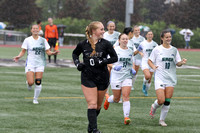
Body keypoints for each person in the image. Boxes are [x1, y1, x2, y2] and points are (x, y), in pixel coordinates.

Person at [72, 21, 118, 133]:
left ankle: (90, 126)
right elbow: (75, 54)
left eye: (103, 29)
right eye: (101, 29)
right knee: (92, 104)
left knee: (97, 106)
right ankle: (94, 130)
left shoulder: (106, 44)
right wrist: (78, 64)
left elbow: (114, 58)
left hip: (103, 77)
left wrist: (103, 61)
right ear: (94, 31)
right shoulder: (83, 44)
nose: (103, 31)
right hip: (88, 77)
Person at [148, 30, 187, 127]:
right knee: (161, 100)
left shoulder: (174, 50)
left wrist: (181, 62)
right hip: (160, 77)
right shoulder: (157, 49)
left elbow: (178, 63)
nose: (169, 39)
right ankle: (154, 106)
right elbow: (150, 61)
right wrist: (153, 67)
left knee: (167, 101)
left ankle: (162, 120)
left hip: (171, 78)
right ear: (162, 38)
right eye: (167, 37)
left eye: (170, 37)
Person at [13, 24, 59, 104]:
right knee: (31, 82)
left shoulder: (43, 40)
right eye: (33, 28)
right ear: (31, 30)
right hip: (30, 63)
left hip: (40, 63)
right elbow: (23, 51)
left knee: (38, 81)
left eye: (36, 29)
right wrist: (18, 56)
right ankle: (28, 83)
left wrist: (53, 53)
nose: (35, 30)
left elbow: (48, 52)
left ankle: (35, 99)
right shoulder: (27, 40)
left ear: (39, 30)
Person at [104, 33, 136, 125]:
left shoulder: (130, 51)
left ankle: (126, 117)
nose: (125, 40)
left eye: (126, 39)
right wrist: (114, 67)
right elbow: (107, 62)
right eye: (123, 39)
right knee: (116, 99)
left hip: (127, 76)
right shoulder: (115, 50)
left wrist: (132, 69)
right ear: (119, 40)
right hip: (116, 77)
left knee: (126, 96)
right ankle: (108, 99)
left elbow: (131, 62)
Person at [138, 31, 158, 96]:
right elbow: (138, 50)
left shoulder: (155, 44)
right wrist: (141, 53)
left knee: (149, 79)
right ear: (146, 36)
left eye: (151, 34)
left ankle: (146, 90)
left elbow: (158, 53)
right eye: (149, 34)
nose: (150, 35)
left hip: (152, 62)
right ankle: (144, 84)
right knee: (147, 76)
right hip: (145, 61)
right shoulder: (142, 43)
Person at [131, 25, 145, 90]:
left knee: (146, 72)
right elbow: (134, 49)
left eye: (138, 30)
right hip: (134, 57)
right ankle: (131, 85)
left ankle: (145, 84)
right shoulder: (131, 39)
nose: (137, 31)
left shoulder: (142, 39)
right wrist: (139, 52)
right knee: (134, 72)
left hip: (141, 58)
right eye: (136, 30)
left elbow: (144, 47)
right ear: (133, 31)